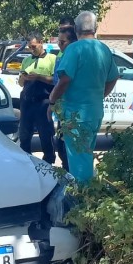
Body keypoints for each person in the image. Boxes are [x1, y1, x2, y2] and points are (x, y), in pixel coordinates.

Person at [50, 11, 119, 184]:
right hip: (94, 113)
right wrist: (99, 95)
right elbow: (113, 77)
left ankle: (83, 201)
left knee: (79, 163)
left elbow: (64, 79)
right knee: (85, 156)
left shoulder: (74, 49)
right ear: (95, 28)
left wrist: (51, 100)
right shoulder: (103, 49)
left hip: (75, 115)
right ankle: (88, 197)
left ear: (76, 29)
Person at [17, 32, 58, 164]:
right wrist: (24, 77)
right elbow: (20, 83)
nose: (32, 49)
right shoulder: (26, 60)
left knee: (46, 134)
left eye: (34, 46)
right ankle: (26, 161)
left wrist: (39, 77)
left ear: (41, 43)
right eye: (29, 47)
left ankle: (49, 161)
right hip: (27, 102)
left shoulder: (52, 59)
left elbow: (56, 80)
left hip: (43, 101)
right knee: (24, 135)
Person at [52, 25, 77, 169]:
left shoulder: (73, 56)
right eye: (58, 42)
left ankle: (74, 183)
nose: (60, 45)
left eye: (63, 42)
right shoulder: (62, 55)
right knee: (60, 144)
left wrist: (51, 101)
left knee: (69, 147)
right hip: (62, 108)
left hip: (72, 108)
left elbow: (64, 81)